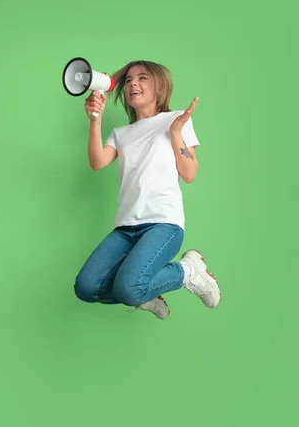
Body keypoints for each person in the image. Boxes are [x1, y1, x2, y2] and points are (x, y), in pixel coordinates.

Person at [73, 60, 221, 320]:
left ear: (160, 86)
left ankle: (188, 271)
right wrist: (95, 120)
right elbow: (98, 162)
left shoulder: (176, 120)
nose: (133, 84)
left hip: (163, 224)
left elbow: (189, 174)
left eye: (142, 78)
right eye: (129, 80)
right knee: (86, 287)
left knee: (128, 288)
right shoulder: (121, 133)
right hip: (125, 227)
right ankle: (146, 292)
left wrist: (176, 133)